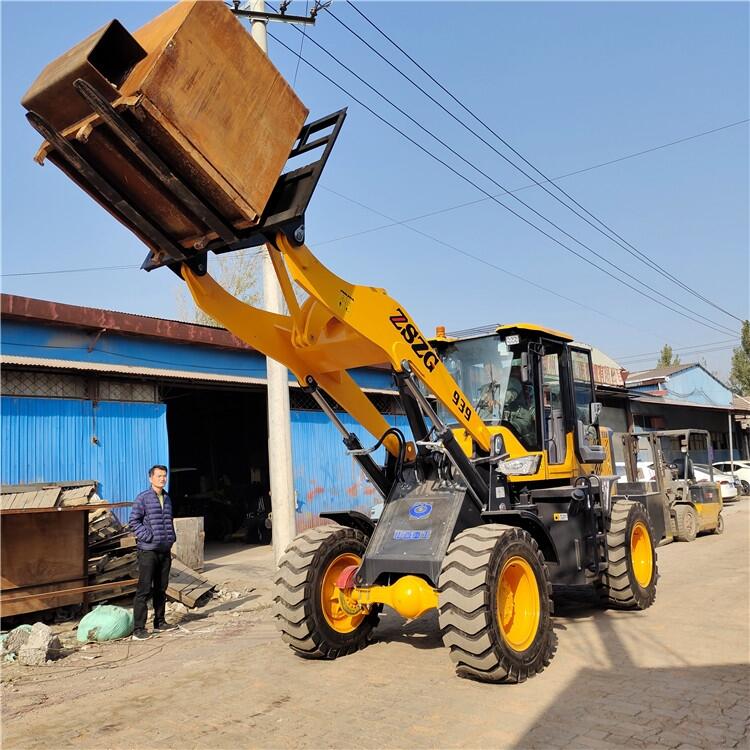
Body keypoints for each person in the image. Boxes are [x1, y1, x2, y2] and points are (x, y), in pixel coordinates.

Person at [130, 465, 177, 640]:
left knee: (161, 588)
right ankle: (138, 628)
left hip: (164, 550)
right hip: (148, 551)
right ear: (151, 478)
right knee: (143, 590)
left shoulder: (167, 498)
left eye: (164, 476)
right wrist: (148, 536)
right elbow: (134, 521)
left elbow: (168, 521)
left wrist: (171, 538)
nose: (162, 479)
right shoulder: (143, 498)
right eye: (159, 476)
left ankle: (160, 621)